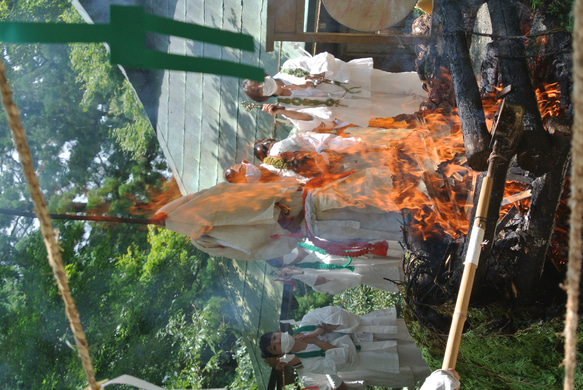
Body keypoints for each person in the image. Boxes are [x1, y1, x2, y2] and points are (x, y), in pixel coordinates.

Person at [155, 167, 402, 261]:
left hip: (317, 196)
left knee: (392, 189)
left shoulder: (215, 197)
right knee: (395, 222)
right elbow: (253, 251)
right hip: (321, 224)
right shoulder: (204, 241)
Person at [242, 52, 426, 132]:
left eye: (259, 83)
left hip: (352, 79)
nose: (262, 87)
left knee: (396, 82)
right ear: (263, 97)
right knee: (398, 108)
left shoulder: (290, 67)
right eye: (259, 91)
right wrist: (281, 111)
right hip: (351, 106)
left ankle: (435, 85)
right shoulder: (286, 105)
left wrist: (309, 81)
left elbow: (323, 58)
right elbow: (312, 121)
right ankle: (436, 105)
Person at [260, 306, 431, 388]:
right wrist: (318, 342)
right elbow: (344, 361)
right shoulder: (311, 364)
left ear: (279, 332)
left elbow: (341, 315)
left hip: (373, 329)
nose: (279, 342)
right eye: (275, 347)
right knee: (423, 357)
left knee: (423, 333)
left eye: (275, 338)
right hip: (372, 356)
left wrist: (318, 331)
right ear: (280, 353)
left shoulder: (307, 320)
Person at [268, 242, 403, 294]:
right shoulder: (305, 272)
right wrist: (297, 274)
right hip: (367, 271)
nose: (283, 254)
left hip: (369, 249)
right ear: (284, 265)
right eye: (280, 258)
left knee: (404, 251)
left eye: (279, 252)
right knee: (404, 273)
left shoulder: (308, 240)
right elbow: (322, 282)